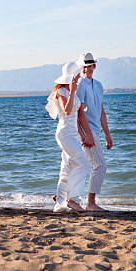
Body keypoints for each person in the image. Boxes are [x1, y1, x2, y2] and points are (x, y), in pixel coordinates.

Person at [46, 61, 91, 213]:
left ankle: (60, 203)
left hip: (73, 134)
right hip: (65, 133)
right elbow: (66, 110)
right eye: (78, 74)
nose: (80, 76)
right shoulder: (62, 92)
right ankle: (74, 199)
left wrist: (84, 135)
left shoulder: (72, 91)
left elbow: (77, 116)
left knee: (67, 167)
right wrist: (72, 92)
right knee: (84, 164)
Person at [75, 52, 113, 211]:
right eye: (84, 66)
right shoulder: (80, 85)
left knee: (79, 165)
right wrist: (85, 134)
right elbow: (78, 112)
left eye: (89, 66)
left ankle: (63, 196)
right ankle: (91, 203)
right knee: (100, 165)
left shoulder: (98, 85)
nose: (87, 69)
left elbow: (101, 111)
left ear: (94, 66)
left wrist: (107, 134)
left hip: (96, 130)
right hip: (86, 130)